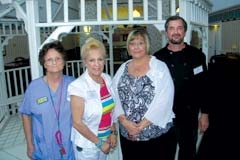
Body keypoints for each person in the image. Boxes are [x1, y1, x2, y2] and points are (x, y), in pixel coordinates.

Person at [112, 29, 175, 160]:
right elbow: (114, 96)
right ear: (128, 47)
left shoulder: (159, 67)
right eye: (132, 43)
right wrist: (124, 122)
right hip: (128, 135)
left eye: (140, 43)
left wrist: (139, 127)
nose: (136, 47)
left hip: (156, 136)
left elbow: (165, 100)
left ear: (147, 45)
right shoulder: (123, 67)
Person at [153, 15, 209, 160]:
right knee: (165, 154)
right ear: (166, 33)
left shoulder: (197, 55)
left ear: (185, 32)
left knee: (189, 154)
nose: (175, 32)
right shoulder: (157, 58)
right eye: (171, 28)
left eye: (179, 28)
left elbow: (204, 86)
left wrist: (205, 114)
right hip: (165, 117)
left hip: (189, 116)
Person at [19, 40, 75, 160]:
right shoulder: (34, 87)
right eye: (49, 60)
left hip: (69, 146)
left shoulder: (73, 84)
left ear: (64, 61)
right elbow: (26, 115)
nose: (54, 62)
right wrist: (29, 144)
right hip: (43, 148)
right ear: (44, 64)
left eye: (58, 58)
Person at [67, 37, 119, 160]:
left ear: (104, 61)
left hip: (105, 139)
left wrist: (113, 132)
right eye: (92, 60)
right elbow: (77, 123)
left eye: (100, 59)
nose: (97, 64)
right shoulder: (78, 86)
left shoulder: (107, 79)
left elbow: (109, 111)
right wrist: (99, 143)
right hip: (87, 145)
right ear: (85, 62)